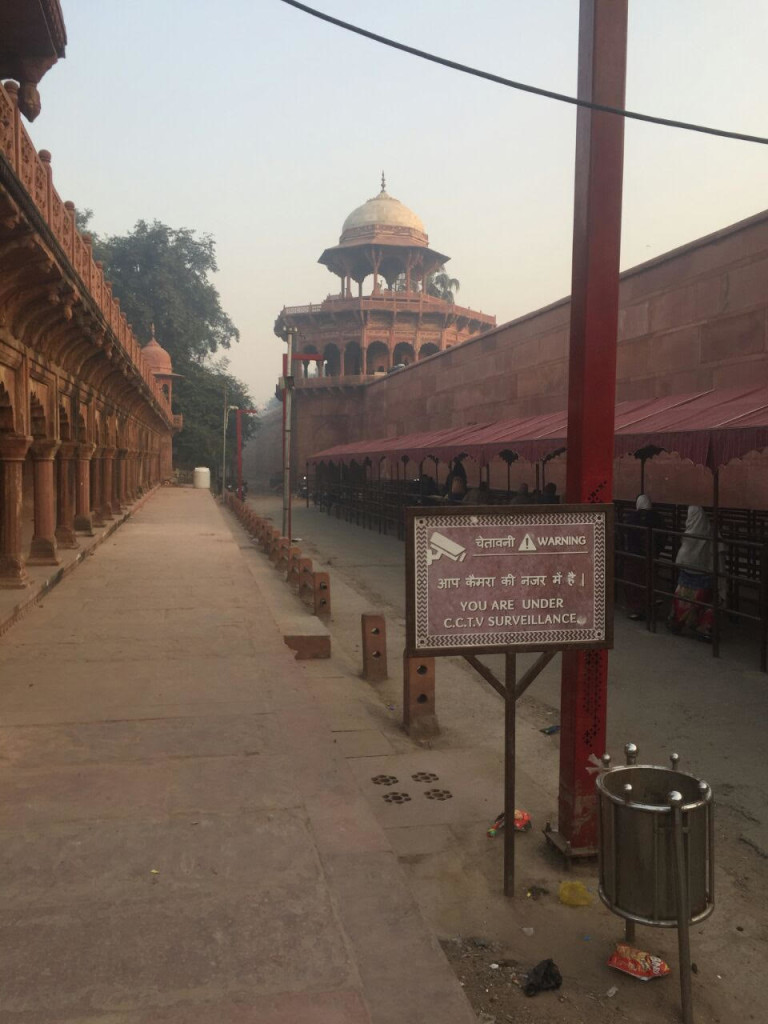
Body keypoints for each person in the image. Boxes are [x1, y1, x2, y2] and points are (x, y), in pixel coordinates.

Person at [667, 505, 716, 641]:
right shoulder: (710, 532)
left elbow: (681, 558)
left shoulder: (688, 535)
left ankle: (677, 622)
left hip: (686, 576)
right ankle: (703, 628)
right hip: (704, 576)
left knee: (681, 599)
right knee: (706, 600)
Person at [624, 494, 663, 620]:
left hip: (635, 556)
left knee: (634, 582)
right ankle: (650, 605)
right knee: (650, 579)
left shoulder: (632, 518)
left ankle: (636, 609)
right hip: (652, 555)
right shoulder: (657, 518)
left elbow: (627, 536)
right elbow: (663, 538)